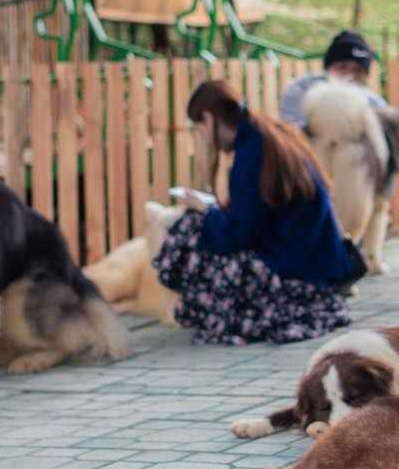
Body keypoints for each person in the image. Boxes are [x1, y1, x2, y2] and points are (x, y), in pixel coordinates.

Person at [152, 80, 354, 345]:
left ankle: (203, 309)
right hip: (316, 267)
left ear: (209, 118)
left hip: (293, 272)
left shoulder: (252, 152)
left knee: (190, 226)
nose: (200, 136)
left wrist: (205, 209)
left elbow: (241, 234)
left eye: (198, 126)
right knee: (201, 223)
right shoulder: (272, 135)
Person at [279, 30, 388, 129]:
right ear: (328, 67)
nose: (349, 75)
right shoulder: (300, 90)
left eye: (357, 70)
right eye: (342, 67)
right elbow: (291, 132)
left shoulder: (374, 103)